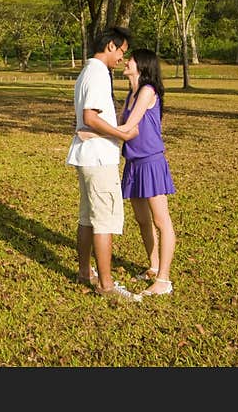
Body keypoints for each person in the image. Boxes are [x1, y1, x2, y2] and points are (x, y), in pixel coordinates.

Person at [79, 48, 176, 297]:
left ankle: (164, 279)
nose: (125, 61)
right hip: (133, 162)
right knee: (143, 221)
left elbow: (129, 128)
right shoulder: (131, 93)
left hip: (151, 162)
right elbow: (121, 128)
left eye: (130, 59)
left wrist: (94, 132)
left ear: (141, 66)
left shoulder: (146, 91)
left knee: (160, 221)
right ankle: (154, 266)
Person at [66, 26, 141, 303]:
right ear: (111, 46)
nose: (122, 58)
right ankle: (106, 285)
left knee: (87, 218)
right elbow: (90, 116)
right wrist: (122, 133)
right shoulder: (98, 73)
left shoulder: (88, 71)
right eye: (121, 51)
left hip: (87, 156)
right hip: (98, 159)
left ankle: (86, 273)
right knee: (104, 221)